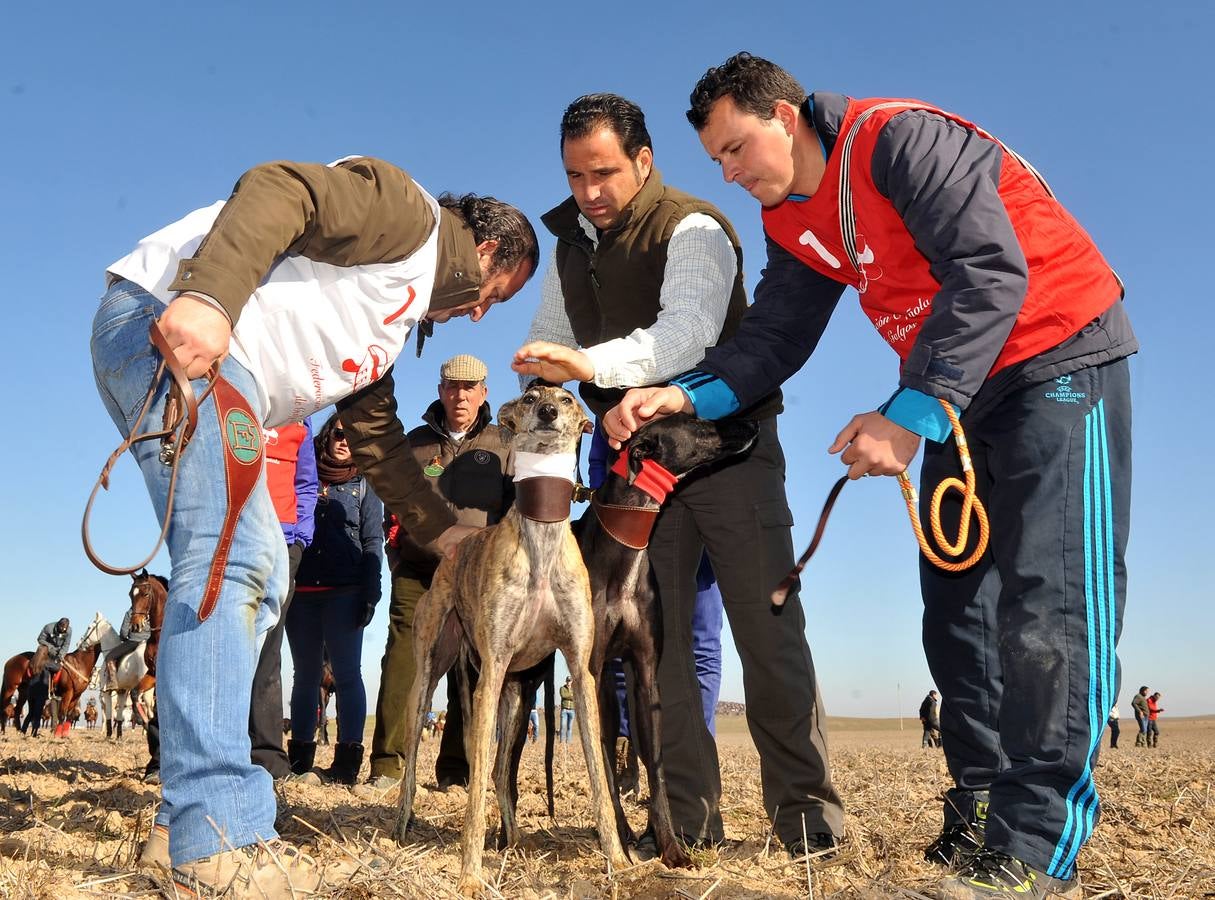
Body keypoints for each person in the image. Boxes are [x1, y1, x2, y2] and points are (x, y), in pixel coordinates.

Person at [604, 51, 1136, 897]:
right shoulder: (791, 220)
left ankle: (1033, 851)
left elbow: (989, 272)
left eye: (736, 148)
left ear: (783, 118)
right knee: (958, 609)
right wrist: (681, 395)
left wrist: (910, 412)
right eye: (715, 163)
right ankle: (980, 809)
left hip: (1055, 359)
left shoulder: (897, 141)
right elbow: (773, 339)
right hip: (961, 393)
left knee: (1048, 603)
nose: (730, 174)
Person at [91, 156, 538, 897]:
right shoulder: (410, 217)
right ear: (485, 252)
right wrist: (208, 297)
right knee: (234, 556)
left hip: (212, 364)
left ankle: (182, 825)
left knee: (256, 565)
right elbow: (281, 188)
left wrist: (448, 534)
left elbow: (376, 442)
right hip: (170, 325)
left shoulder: (387, 334)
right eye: (492, 293)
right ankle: (216, 833)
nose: (478, 312)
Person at [512, 92, 842, 854]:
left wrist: (588, 364)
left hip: (728, 452)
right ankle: (685, 822)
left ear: (643, 161)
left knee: (767, 636)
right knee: (654, 654)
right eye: (573, 176)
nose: (588, 192)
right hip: (632, 470)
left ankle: (806, 825)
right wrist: (540, 382)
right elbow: (548, 341)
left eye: (603, 172)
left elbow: (687, 335)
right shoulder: (568, 244)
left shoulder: (694, 225)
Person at [360, 353, 513, 794]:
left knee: (472, 667)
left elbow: (512, 511)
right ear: (440, 390)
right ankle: (388, 767)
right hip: (419, 568)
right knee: (404, 660)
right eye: (452, 386)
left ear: (484, 391)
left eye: (469, 387)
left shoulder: (504, 442)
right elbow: (393, 503)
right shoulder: (415, 443)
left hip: (478, 575)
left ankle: (457, 773)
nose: (460, 395)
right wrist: (398, 550)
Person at [285, 414, 384, 785]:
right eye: (341, 433)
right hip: (303, 593)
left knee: (347, 676)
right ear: (328, 434)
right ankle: (299, 761)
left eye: (354, 436)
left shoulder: (365, 484)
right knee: (305, 677)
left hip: (346, 591)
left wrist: (371, 590)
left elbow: (373, 539)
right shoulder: (305, 477)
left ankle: (346, 764)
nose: (346, 441)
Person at [251, 418, 317, 779]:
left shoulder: (301, 421)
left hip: (283, 544)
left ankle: (268, 760)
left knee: (269, 650)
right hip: (233, 537)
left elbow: (306, 482)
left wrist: (299, 539)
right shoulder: (235, 399)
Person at [103, 607, 153, 689]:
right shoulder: (149, 611)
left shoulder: (130, 612)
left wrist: (124, 638)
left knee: (109, 657)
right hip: (149, 641)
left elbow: (123, 632)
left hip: (133, 642)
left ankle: (113, 683)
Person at [559, 676, 576, 743]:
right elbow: (563, 695)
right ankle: (562, 741)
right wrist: (571, 696)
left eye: (570, 681)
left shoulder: (574, 689)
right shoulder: (562, 688)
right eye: (568, 681)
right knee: (563, 726)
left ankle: (568, 741)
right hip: (564, 710)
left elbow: (575, 697)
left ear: (572, 682)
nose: (569, 682)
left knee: (570, 727)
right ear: (566, 681)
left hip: (572, 710)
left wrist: (569, 696)